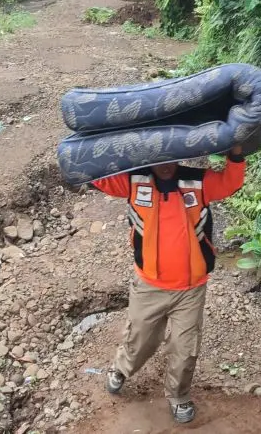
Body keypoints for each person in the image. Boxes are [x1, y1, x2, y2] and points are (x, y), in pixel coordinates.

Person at [91, 146, 246, 424]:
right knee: (140, 340)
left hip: (190, 288)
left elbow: (230, 182)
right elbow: (97, 178)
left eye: (169, 157)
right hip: (149, 284)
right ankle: (121, 369)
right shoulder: (133, 180)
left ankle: (178, 395)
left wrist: (235, 155)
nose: (165, 165)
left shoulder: (197, 182)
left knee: (185, 348)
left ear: (178, 154)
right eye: (157, 158)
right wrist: (97, 148)